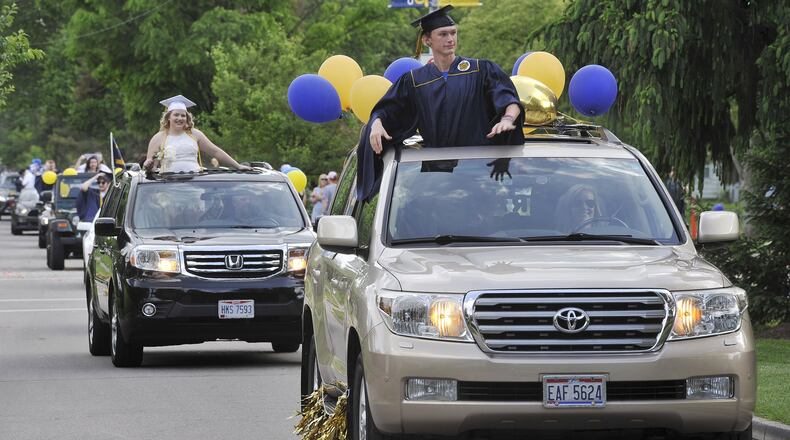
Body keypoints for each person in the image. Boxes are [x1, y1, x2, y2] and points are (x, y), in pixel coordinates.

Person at [356, 5, 524, 201]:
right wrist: (376, 123)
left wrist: (508, 118)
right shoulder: (414, 81)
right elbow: (387, 110)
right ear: (427, 40)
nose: (450, 39)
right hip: (435, 176)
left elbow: (509, 99)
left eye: (453, 33)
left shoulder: (480, 70)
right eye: (443, 34)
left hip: (478, 172)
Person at [143, 95, 248, 173]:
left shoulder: (195, 134)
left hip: (194, 183)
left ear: (187, 118)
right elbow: (152, 168)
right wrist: (148, 165)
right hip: (169, 185)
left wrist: (237, 166)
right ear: (169, 117)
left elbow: (215, 151)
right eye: (176, 115)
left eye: (183, 116)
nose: (180, 118)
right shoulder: (158, 138)